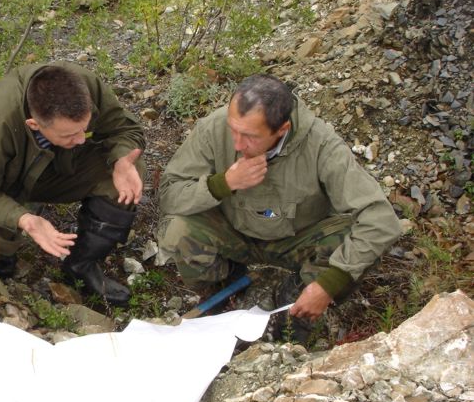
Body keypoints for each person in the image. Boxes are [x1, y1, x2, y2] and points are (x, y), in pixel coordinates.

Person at [158, 74, 400, 326]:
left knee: (355, 242)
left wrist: (330, 284)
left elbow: (381, 219)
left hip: (298, 240)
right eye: (233, 130)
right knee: (176, 228)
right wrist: (223, 184)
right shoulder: (214, 128)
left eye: (250, 136)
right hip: (233, 235)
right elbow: (169, 194)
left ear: (281, 129)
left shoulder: (321, 145)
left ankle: (296, 303)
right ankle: (225, 292)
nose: (237, 144)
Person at [0, 62, 146, 305]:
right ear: (34, 125)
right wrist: (25, 220)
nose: (79, 140)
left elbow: (123, 128)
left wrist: (120, 159)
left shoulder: (84, 87)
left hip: (54, 168)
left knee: (129, 171)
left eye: (83, 130)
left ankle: (81, 265)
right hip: (0, 187)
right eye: (68, 135)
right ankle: (5, 254)